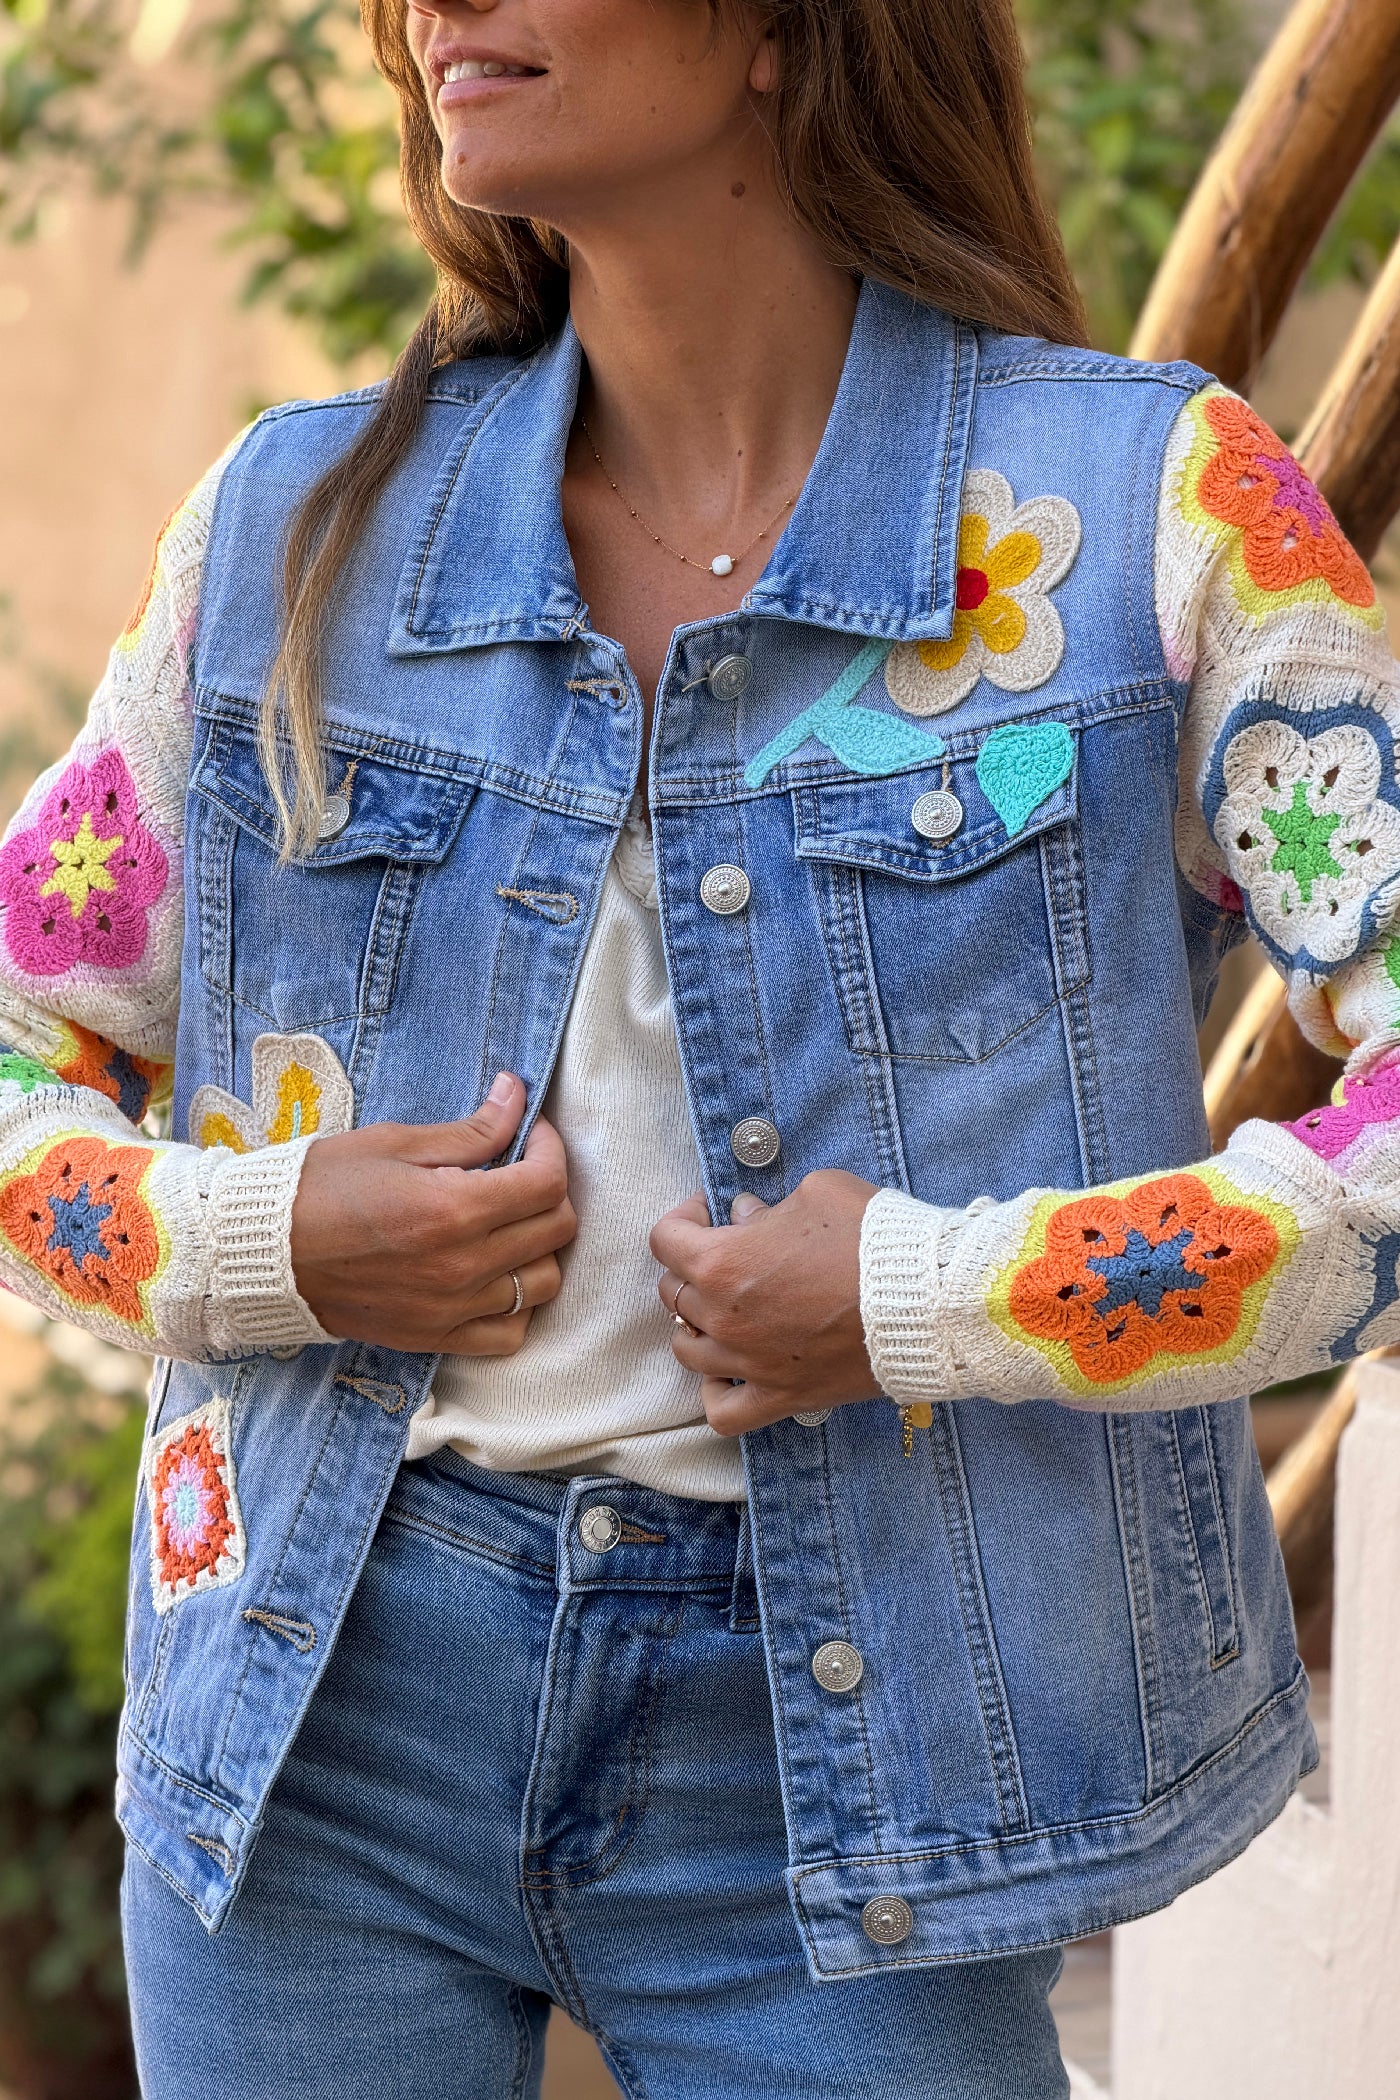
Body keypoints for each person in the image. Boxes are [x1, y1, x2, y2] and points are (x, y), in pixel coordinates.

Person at [1, 0, 1396, 2091]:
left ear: (777, 28)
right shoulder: (296, 536)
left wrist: (930, 1298)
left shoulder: (1151, 515)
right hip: (318, 1719)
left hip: (873, 1750)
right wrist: (260, 1240)